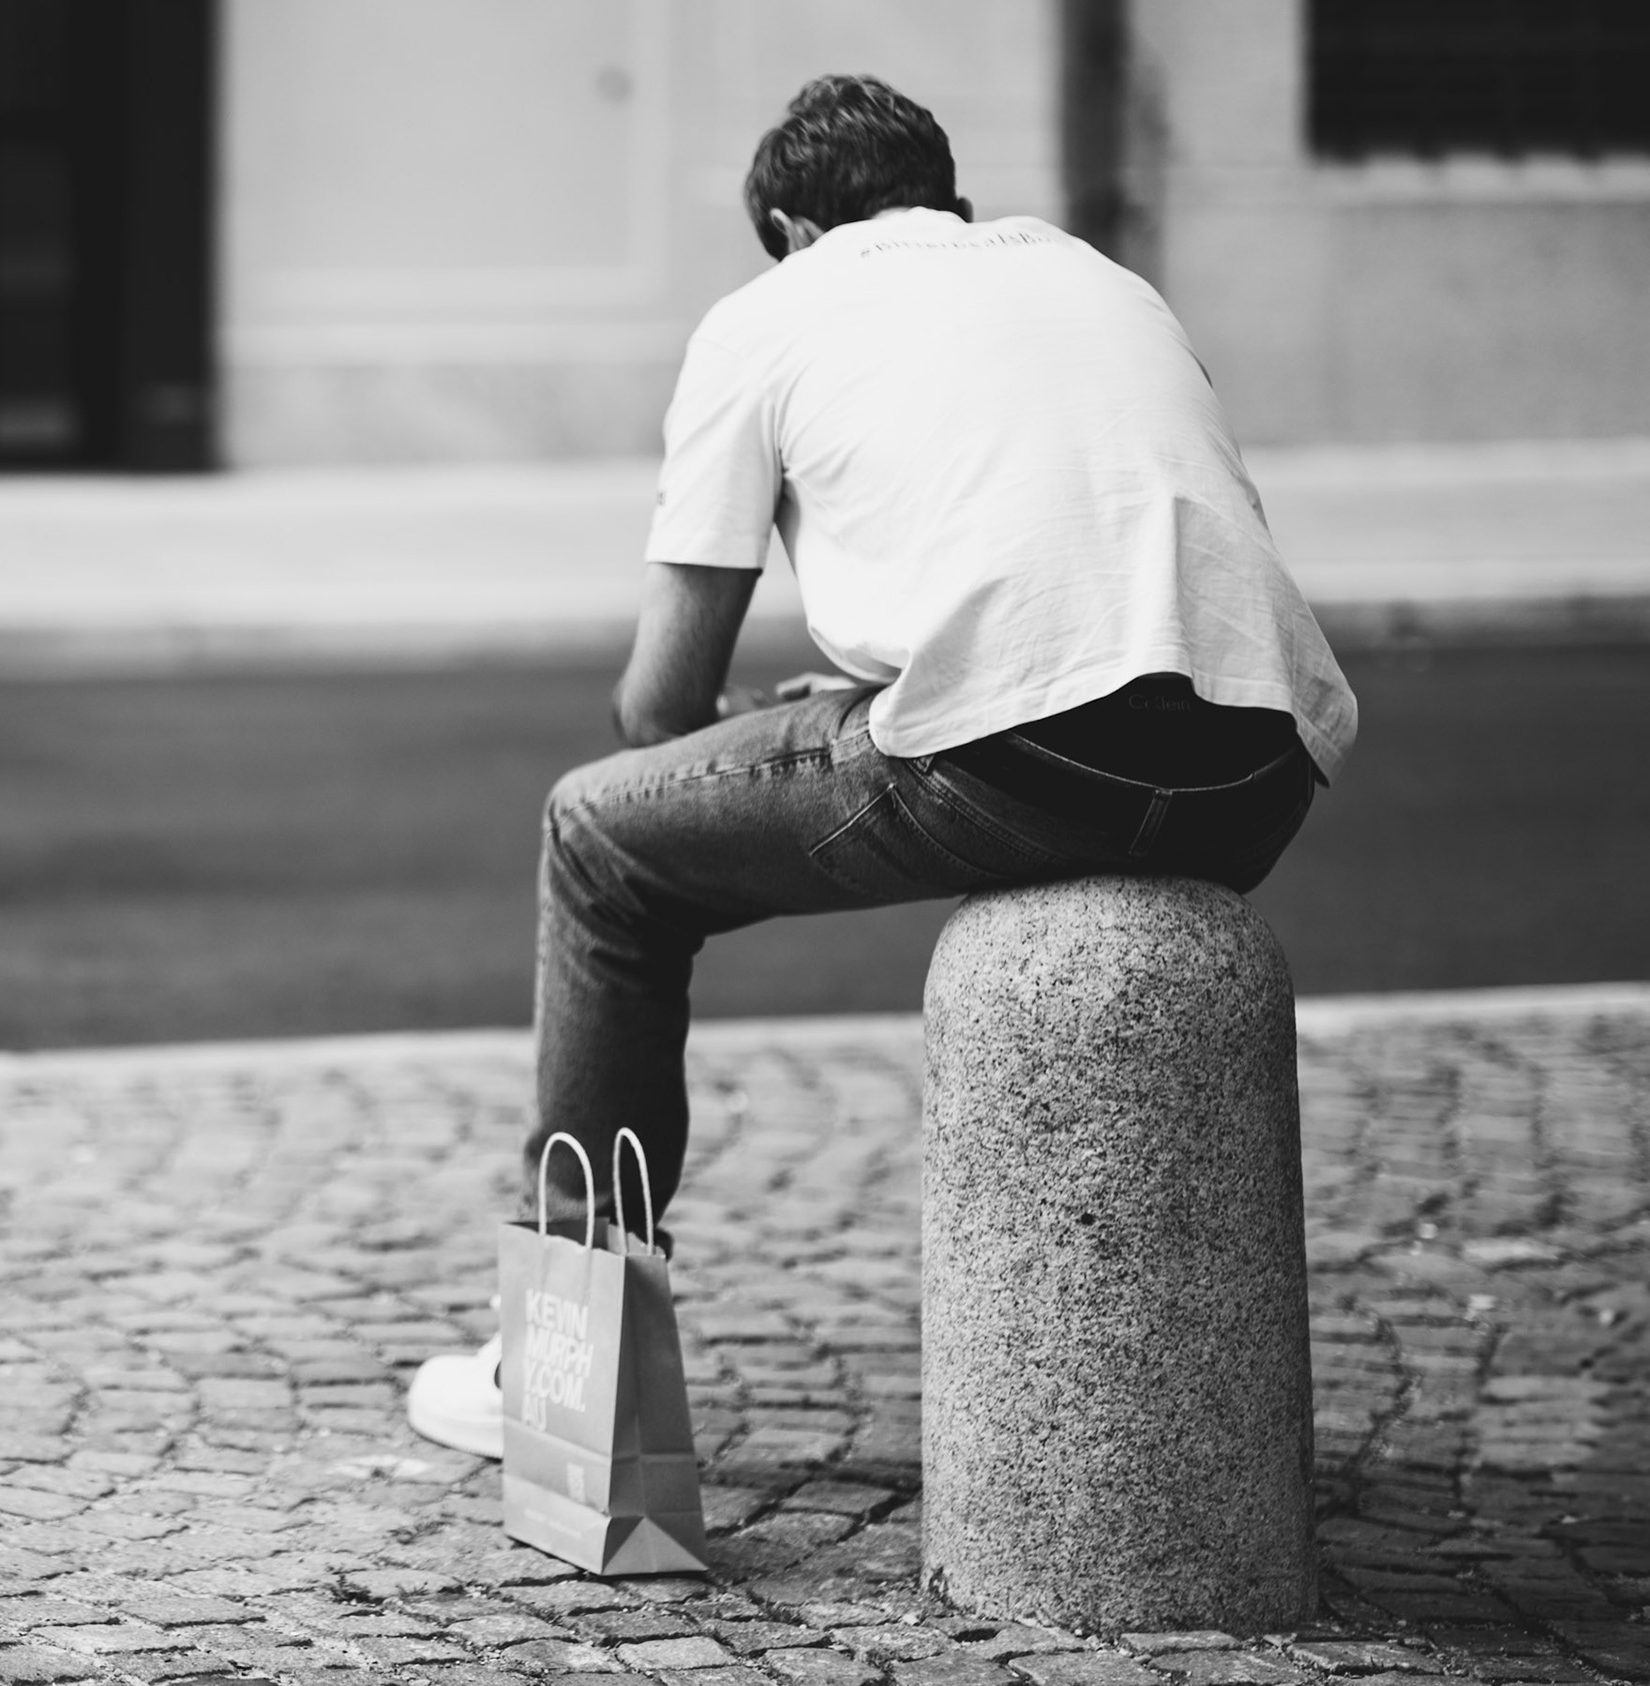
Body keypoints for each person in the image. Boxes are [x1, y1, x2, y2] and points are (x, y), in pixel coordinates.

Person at [406, 73, 1357, 1458]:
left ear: (791, 226)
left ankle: (569, 1361)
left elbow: (656, 702)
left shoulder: (769, 315)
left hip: (1025, 756)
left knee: (597, 842)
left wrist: (772, 708)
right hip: (1257, 767)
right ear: (948, 197)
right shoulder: (1099, 279)